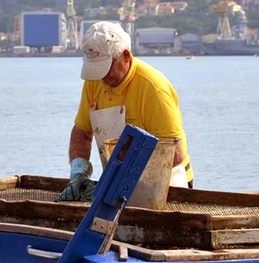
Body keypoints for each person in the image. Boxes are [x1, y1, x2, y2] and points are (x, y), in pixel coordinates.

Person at [58, 21, 193, 201]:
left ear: (126, 56)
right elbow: (82, 132)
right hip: (117, 185)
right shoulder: (95, 80)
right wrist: (78, 173)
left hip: (168, 183)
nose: (102, 77)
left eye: (106, 68)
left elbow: (174, 154)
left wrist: (126, 183)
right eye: (96, 70)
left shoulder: (153, 89)